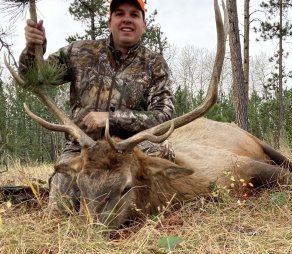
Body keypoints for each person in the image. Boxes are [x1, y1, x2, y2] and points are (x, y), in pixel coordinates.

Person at [19, 0, 175, 213]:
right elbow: (34, 77)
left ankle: (137, 208)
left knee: (164, 153)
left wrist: (111, 118)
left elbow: (165, 117)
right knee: (60, 208)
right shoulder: (79, 52)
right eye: (119, 13)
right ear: (109, 21)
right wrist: (32, 49)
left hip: (130, 149)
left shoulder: (154, 63)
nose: (127, 19)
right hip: (83, 148)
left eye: (134, 14)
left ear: (143, 24)